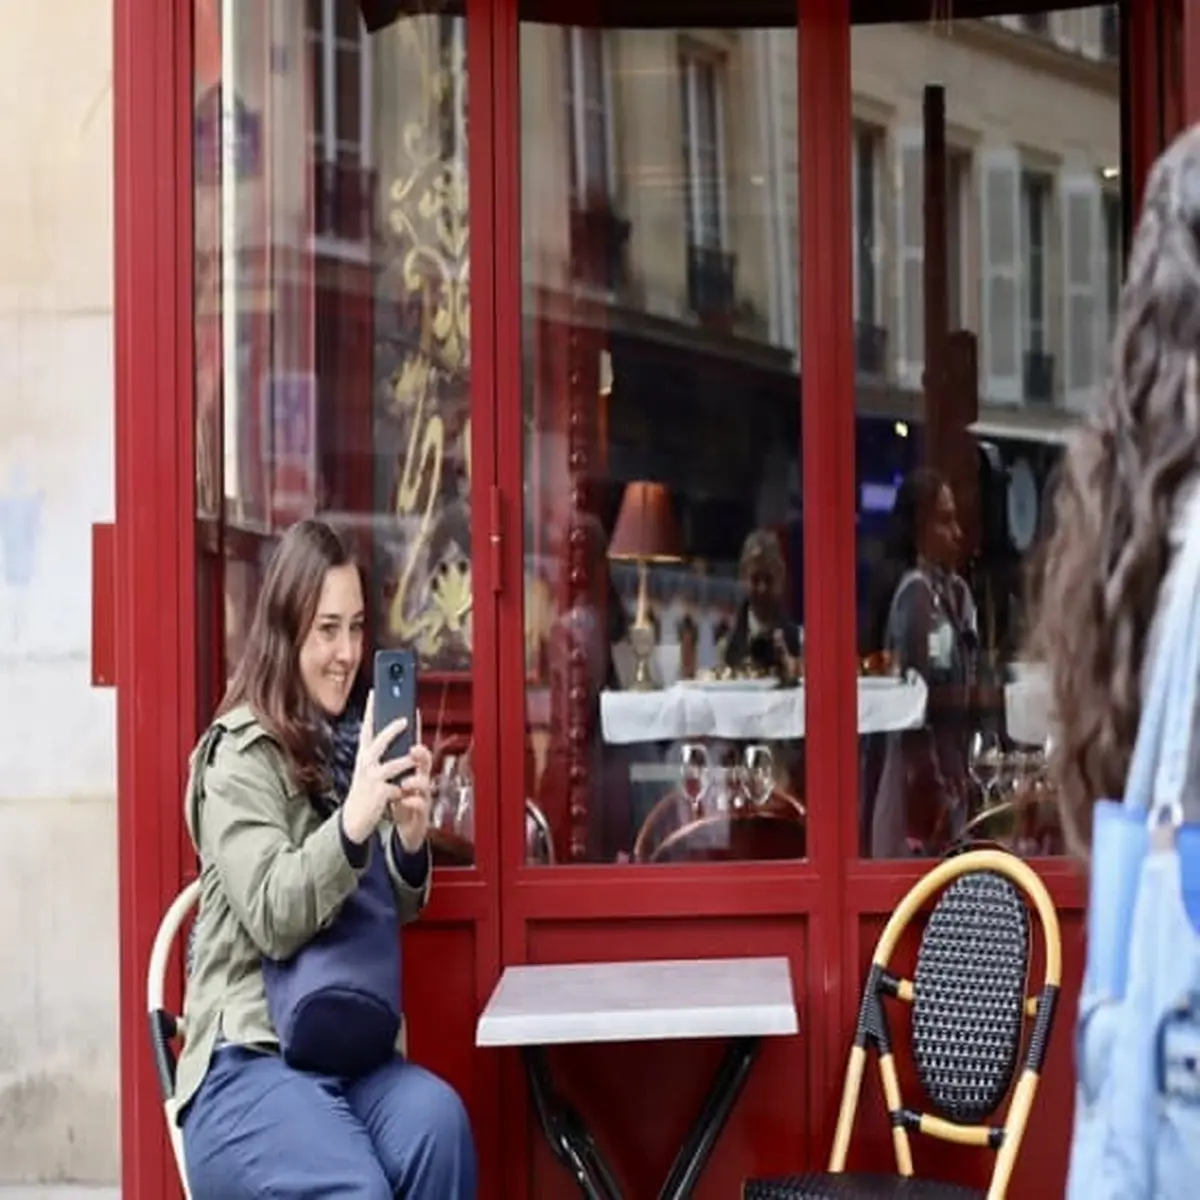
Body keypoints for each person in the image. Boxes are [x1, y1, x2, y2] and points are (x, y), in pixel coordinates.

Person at [177, 519, 476, 1198]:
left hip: (345, 1053)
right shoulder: (239, 756)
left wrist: (405, 833)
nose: (347, 652)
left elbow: (383, 907)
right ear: (286, 637)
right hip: (246, 1062)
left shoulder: (354, 742)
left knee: (439, 1123)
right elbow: (277, 913)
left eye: (358, 626)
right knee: (356, 1190)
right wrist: (355, 818)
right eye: (326, 629)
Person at [861, 468, 979, 857]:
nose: (957, 533)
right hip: (920, 784)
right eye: (945, 521)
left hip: (950, 770)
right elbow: (915, 704)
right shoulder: (915, 596)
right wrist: (935, 788)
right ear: (920, 529)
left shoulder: (954, 594)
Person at [719, 529, 803, 681]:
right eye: (755, 579)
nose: (762, 588)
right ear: (743, 578)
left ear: (781, 577)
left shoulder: (800, 642)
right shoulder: (725, 646)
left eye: (769, 579)